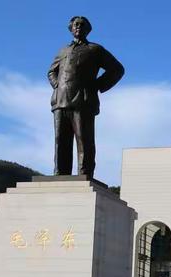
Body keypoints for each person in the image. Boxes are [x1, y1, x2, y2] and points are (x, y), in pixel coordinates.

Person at [48, 16, 124, 178]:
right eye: (76, 25)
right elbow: (51, 71)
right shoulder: (63, 51)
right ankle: (60, 172)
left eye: (82, 25)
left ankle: (85, 172)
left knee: (84, 139)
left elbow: (117, 69)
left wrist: (97, 86)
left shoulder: (95, 50)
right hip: (60, 101)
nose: (78, 27)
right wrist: (57, 85)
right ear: (70, 28)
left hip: (83, 100)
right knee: (60, 140)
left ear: (88, 29)